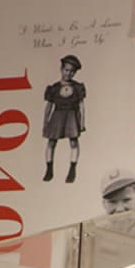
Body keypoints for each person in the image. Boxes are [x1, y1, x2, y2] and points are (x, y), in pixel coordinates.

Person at [42, 54, 86, 183]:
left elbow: (82, 106)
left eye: (72, 72)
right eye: (66, 70)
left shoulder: (78, 88)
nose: (68, 74)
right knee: (51, 142)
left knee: (73, 142)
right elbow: (49, 106)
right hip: (57, 116)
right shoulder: (54, 88)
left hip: (72, 116)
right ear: (61, 69)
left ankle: (72, 169)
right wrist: (45, 122)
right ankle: (49, 169)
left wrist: (82, 122)